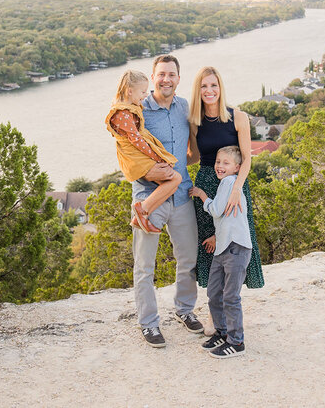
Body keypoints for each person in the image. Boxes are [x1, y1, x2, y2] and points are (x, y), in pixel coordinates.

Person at [131, 55, 204, 348]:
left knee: (188, 260)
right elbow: (126, 155)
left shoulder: (184, 107)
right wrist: (154, 172)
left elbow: (194, 152)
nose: (166, 79)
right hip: (149, 197)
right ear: (153, 76)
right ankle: (148, 324)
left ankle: (184, 310)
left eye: (171, 75)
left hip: (183, 194)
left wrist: (178, 170)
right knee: (144, 266)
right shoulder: (137, 110)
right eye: (161, 74)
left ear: (178, 78)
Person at [188, 66, 264, 293]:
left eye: (213, 85)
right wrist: (164, 161)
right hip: (206, 186)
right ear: (198, 90)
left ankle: (231, 300)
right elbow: (193, 156)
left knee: (235, 243)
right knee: (211, 246)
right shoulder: (195, 121)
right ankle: (215, 309)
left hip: (234, 185)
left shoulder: (238, 117)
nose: (209, 90)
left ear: (220, 87)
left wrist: (236, 190)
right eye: (204, 86)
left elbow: (247, 159)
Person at [189, 145, 252, 358]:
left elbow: (216, 210)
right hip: (223, 247)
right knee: (215, 293)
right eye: (218, 162)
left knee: (230, 296)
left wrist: (201, 195)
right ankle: (222, 332)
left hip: (236, 248)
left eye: (226, 163)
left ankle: (236, 341)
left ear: (237, 167)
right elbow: (225, 215)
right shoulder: (226, 184)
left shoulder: (229, 182)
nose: (220, 166)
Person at [105, 69, 181, 234]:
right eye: (143, 91)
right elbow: (136, 140)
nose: (146, 95)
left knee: (171, 182)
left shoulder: (129, 108)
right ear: (130, 91)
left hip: (139, 157)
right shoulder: (122, 113)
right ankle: (143, 209)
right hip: (137, 159)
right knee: (175, 178)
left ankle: (141, 216)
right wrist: (158, 159)